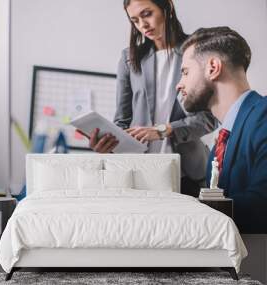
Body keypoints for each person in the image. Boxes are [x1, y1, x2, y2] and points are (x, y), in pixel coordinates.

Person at [84, 0, 218, 196]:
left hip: (187, 173)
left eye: (147, 14)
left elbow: (208, 119)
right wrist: (108, 145)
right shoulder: (129, 58)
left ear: (167, 7)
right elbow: (122, 121)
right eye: (135, 20)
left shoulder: (197, 51)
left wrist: (164, 130)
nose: (142, 25)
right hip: (139, 172)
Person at [176, 26, 267, 233]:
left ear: (213, 68)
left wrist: (184, 209)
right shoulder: (218, 147)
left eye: (185, 72)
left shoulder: (263, 115)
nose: (179, 85)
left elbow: (262, 203)